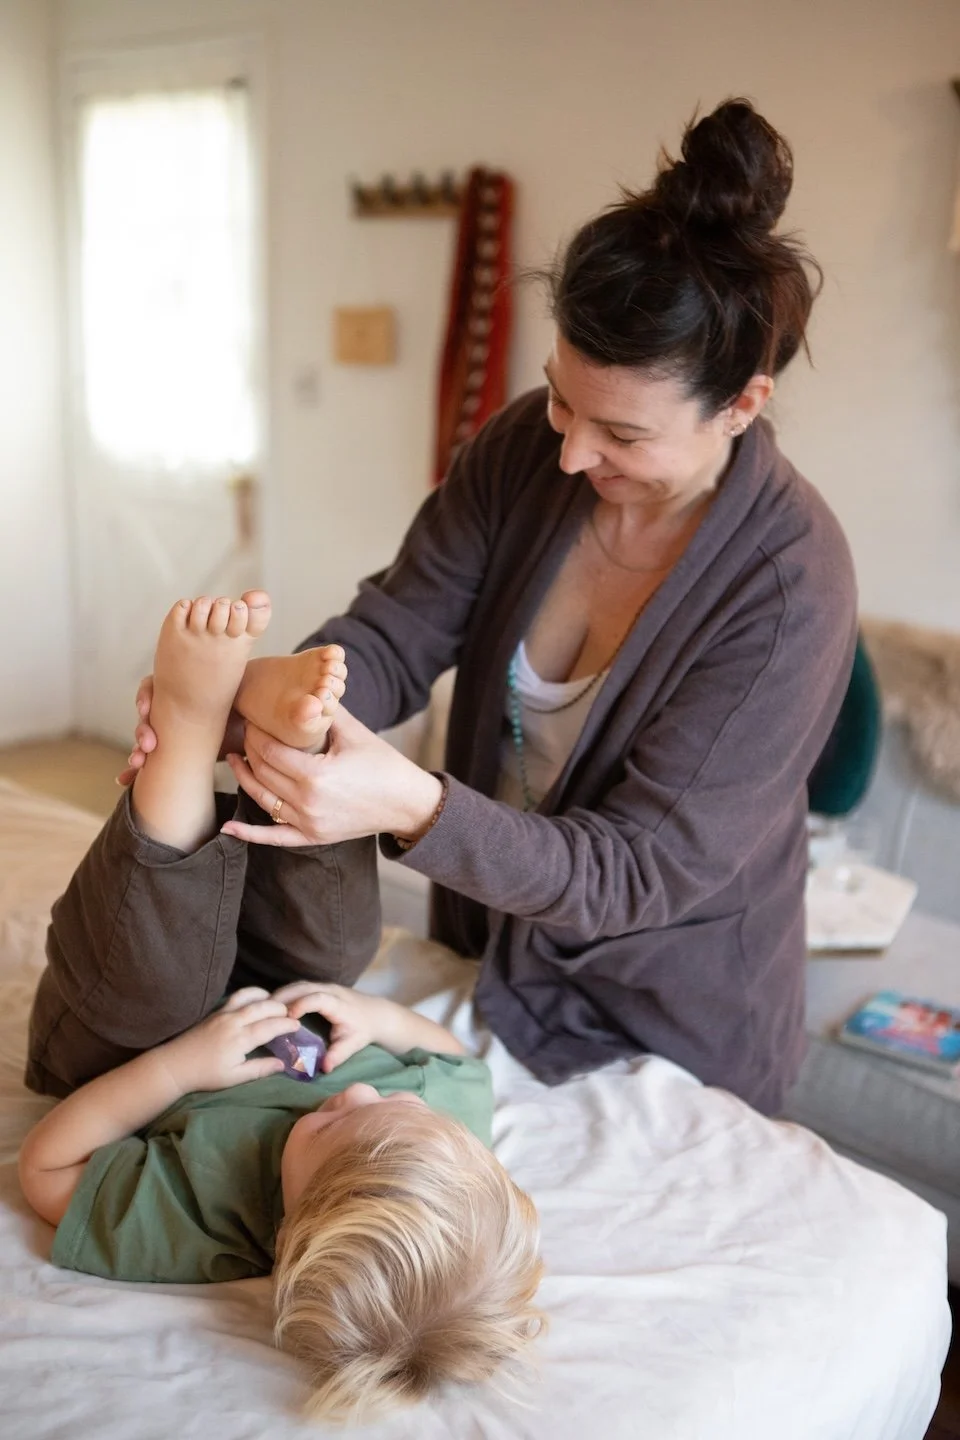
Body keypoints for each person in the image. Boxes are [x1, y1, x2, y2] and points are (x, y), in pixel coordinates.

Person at [124, 99, 858, 1116]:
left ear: (743, 404)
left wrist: (412, 804)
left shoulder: (789, 584)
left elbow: (638, 870)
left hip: (665, 1037)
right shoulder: (524, 450)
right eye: (560, 398)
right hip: (483, 965)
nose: (570, 453)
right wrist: (292, 696)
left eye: (622, 434)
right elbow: (393, 631)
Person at [20, 593, 543, 1425]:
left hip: (136, 1045)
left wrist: (179, 1066)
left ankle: (189, 738)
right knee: (337, 947)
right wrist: (376, 1019)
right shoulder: (446, 1144)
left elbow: (46, 1168)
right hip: (278, 992)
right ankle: (282, 751)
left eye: (332, 1129)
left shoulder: (213, 1227)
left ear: (289, 1226)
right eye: (397, 1103)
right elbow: (455, 1059)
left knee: (159, 981)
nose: (360, 1092)